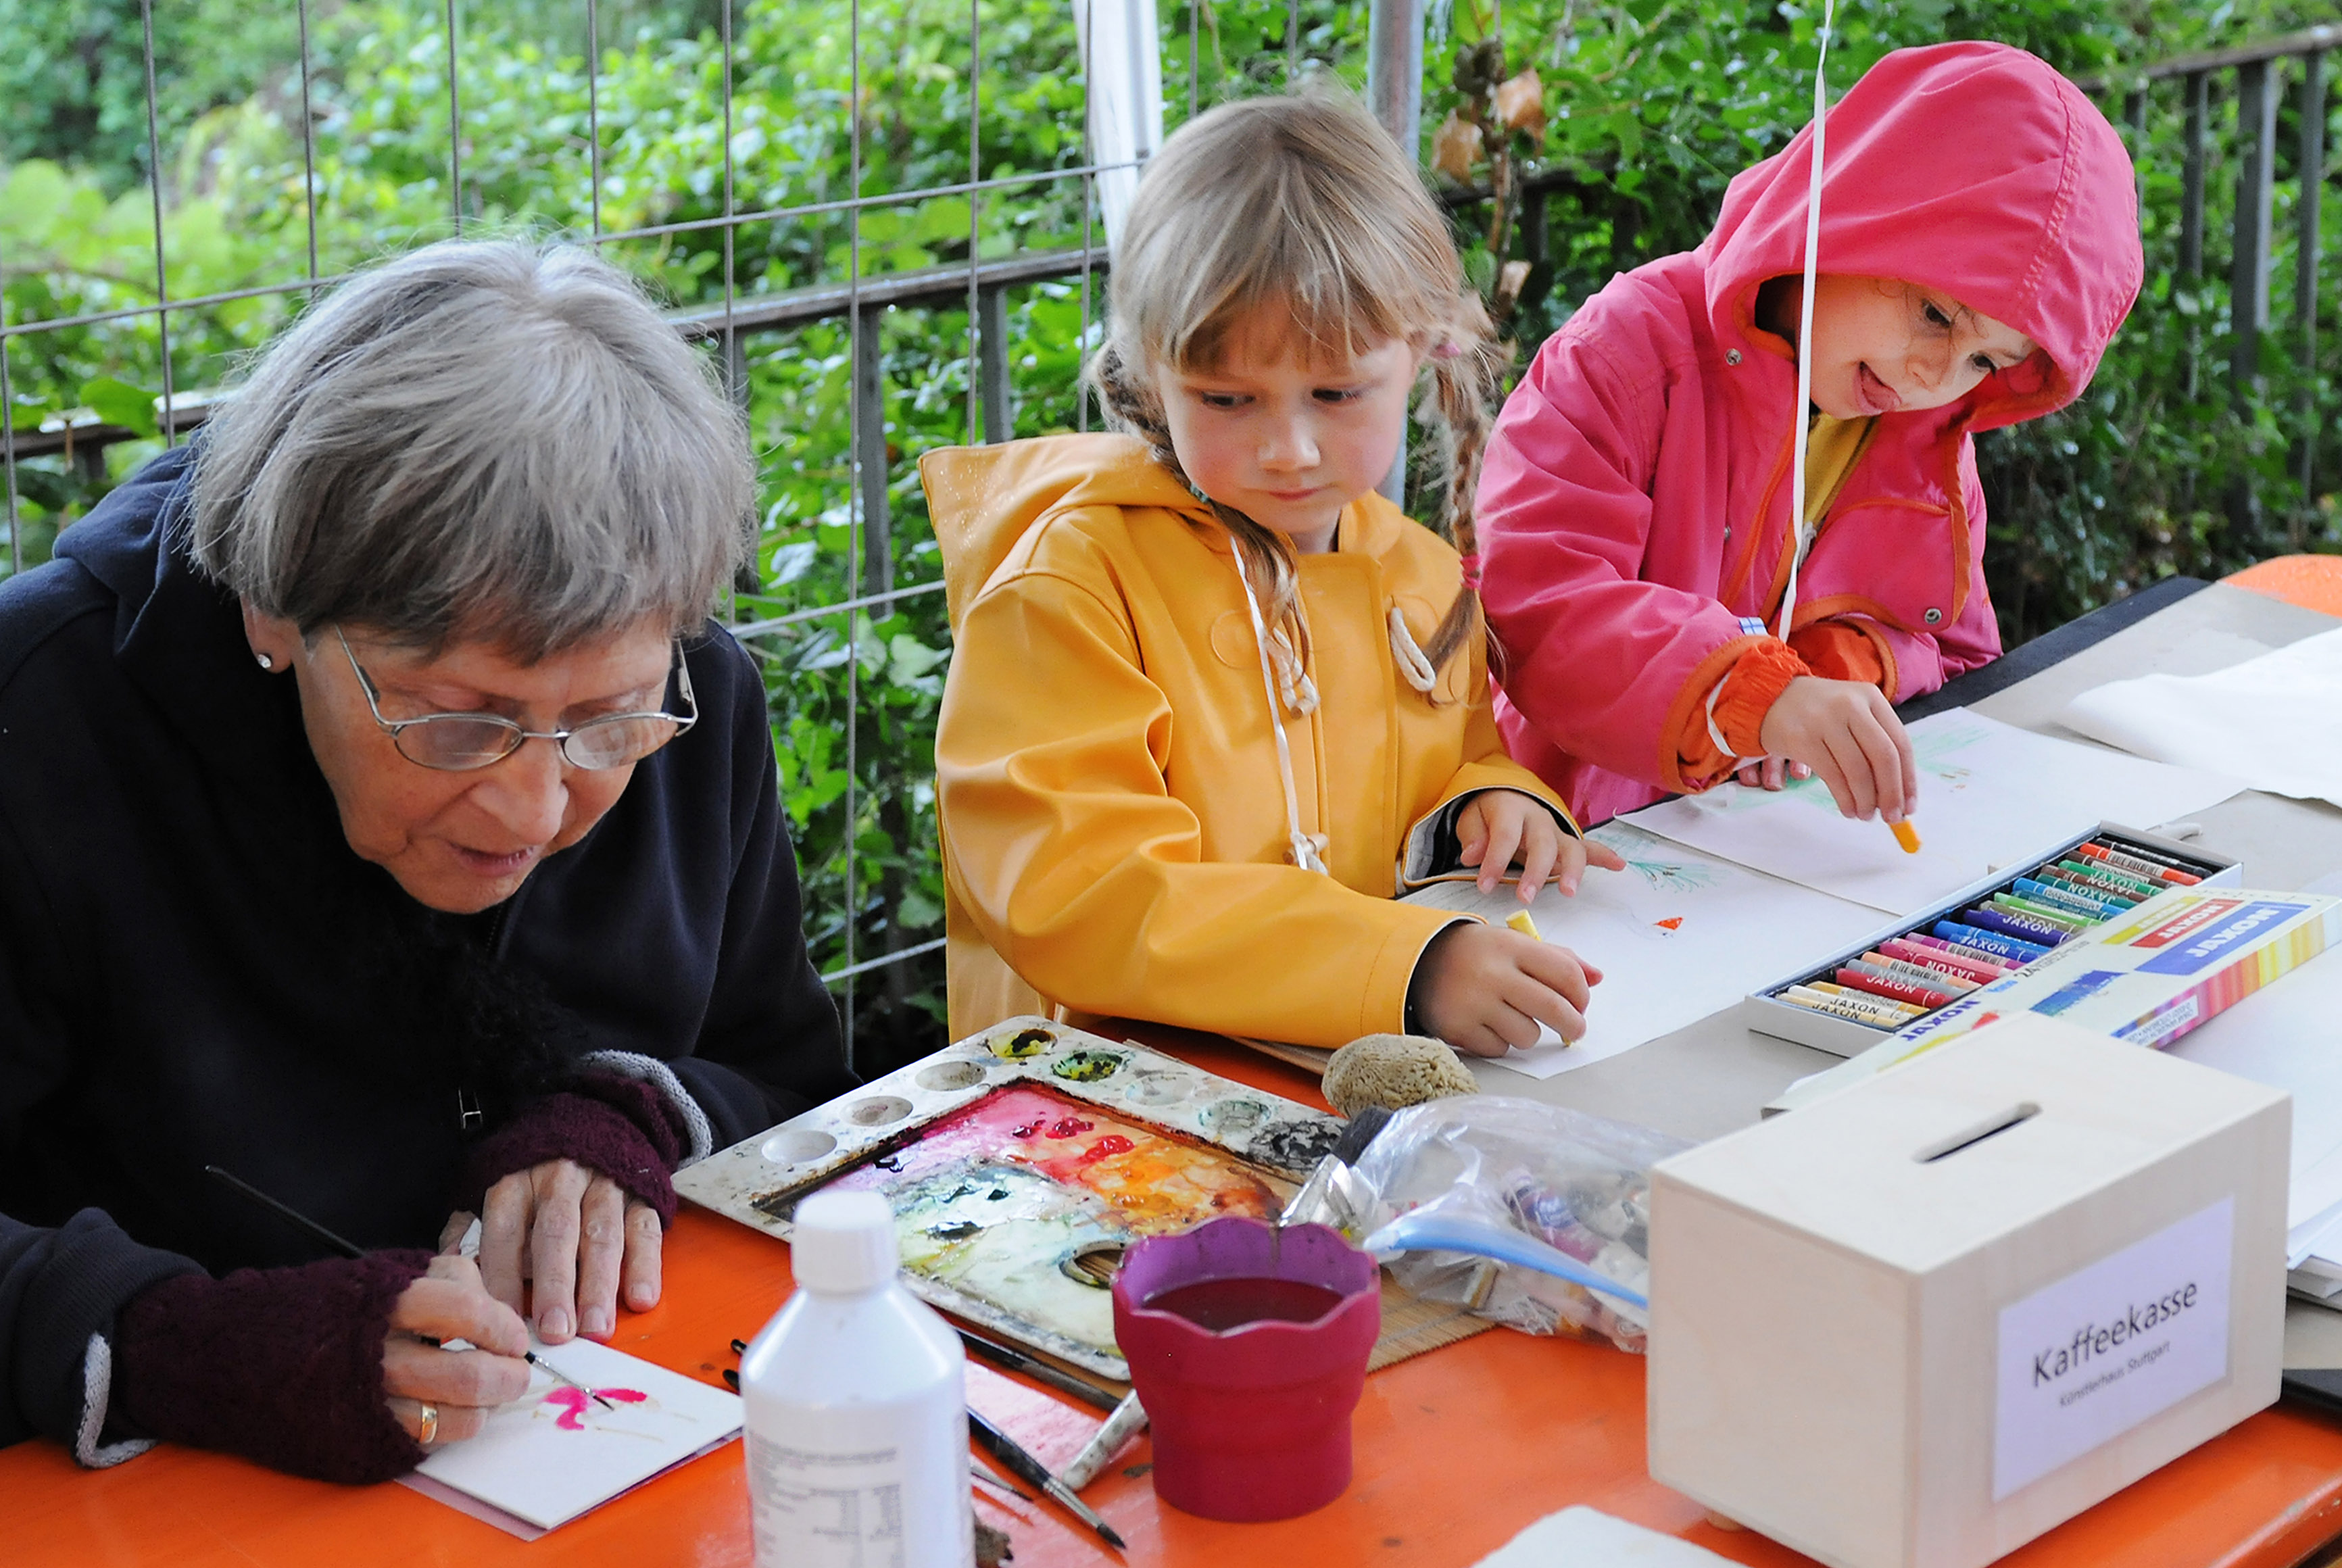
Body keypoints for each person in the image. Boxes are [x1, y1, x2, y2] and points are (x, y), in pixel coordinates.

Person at [0, 240, 852, 1484]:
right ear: (276, 615)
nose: (538, 803)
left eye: (608, 723)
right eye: (461, 720)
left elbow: (792, 1082)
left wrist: (625, 1118)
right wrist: (175, 1344)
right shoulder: (39, 728)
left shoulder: (696, 693)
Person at [927, 94, 1624, 1060]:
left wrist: (1491, 803)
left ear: (1420, 350)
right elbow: (1083, 896)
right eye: (1226, 399)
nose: (1288, 450)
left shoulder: (1418, 572)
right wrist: (1404, 970)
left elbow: (1448, 763)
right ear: (1149, 370)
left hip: (1346, 1072)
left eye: (1336, 393)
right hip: (1117, 1115)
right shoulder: (1069, 587)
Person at [1475, 41, 2143, 827]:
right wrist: (1757, 691)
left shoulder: (1928, 444)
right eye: (1935, 315)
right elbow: (1535, 607)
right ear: (1853, 215)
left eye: (1986, 361)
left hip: (1774, 869)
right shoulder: (1627, 352)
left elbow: (1956, 654)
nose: (1937, 376)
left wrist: (1846, 663)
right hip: (1566, 854)